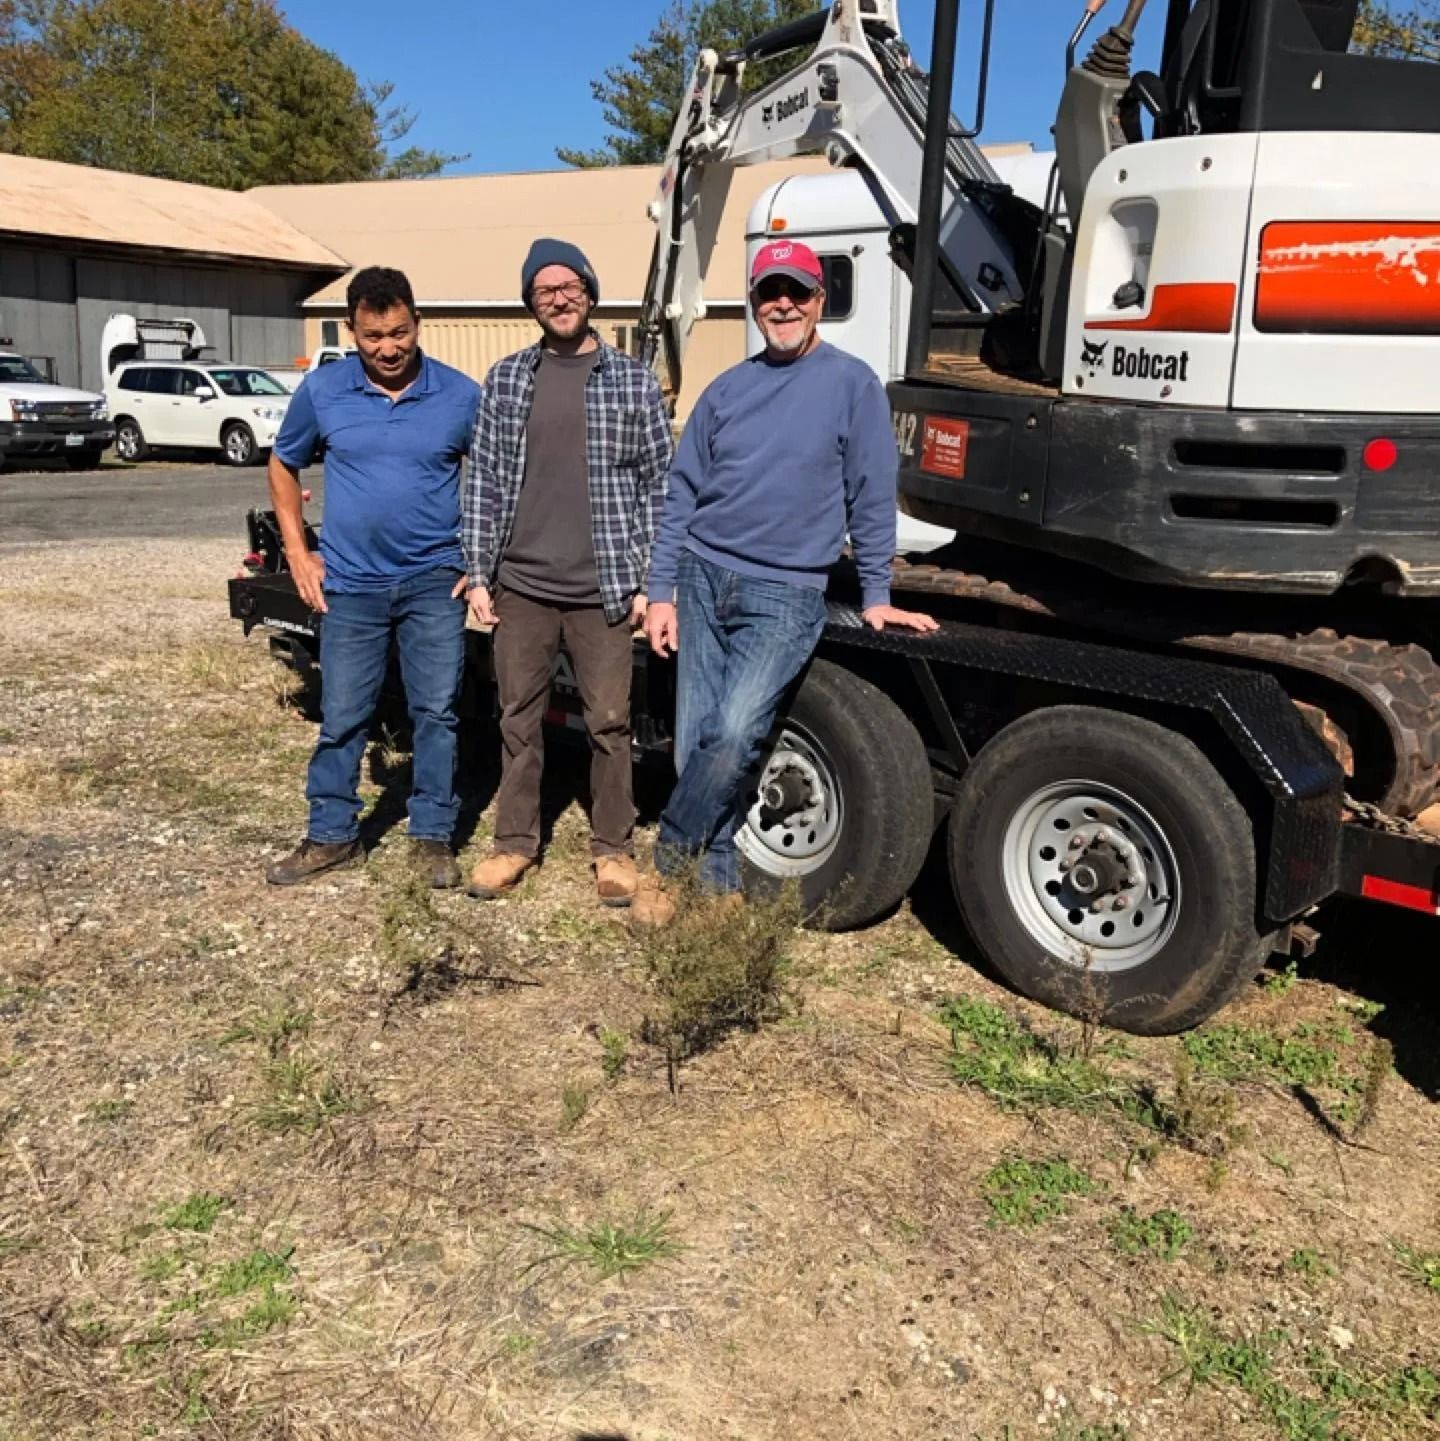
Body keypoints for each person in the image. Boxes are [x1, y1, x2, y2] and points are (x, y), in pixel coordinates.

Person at [634, 239, 939, 925]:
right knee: (694, 741)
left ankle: (670, 860)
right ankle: (715, 884)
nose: (783, 304)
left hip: (786, 589)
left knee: (736, 731)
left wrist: (877, 594)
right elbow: (681, 495)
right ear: (753, 301)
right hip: (703, 575)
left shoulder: (852, 384)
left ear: (818, 302)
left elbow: (870, 491)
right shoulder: (727, 389)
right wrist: (661, 592)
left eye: (797, 292)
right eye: (770, 291)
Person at [462, 239, 673, 906]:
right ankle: (514, 843)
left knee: (609, 723)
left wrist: (649, 581)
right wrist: (477, 572)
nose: (558, 297)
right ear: (531, 302)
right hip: (521, 585)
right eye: (543, 289)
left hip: (603, 589)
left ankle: (613, 850)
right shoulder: (506, 378)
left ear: (589, 290)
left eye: (568, 285)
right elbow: (484, 482)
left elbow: (659, 487)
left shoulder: (633, 380)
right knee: (517, 720)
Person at [265, 266, 482, 889]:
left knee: (436, 713)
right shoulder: (324, 391)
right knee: (343, 715)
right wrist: (299, 551)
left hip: (433, 582)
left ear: (418, 324)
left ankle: (433, 837)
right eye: (371, 336)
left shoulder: (460, 395)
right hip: (352, 585)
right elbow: (283, 465)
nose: (387, 349)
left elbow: (495, 480)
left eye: (399, 333)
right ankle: (331, 836)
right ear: (352, 331)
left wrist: (478, 560)